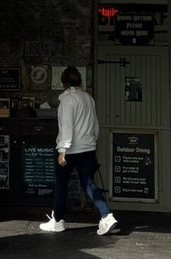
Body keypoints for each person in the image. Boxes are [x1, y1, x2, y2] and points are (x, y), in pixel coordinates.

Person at [39, 66, 117, 235]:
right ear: (79, 81)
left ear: (63, 82)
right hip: (88, 147)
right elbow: (95, 123)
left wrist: (62, 150)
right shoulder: (88, 98)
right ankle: (106, 215)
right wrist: (94, 140)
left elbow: (67, 126)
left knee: (61, 185)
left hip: (71, 150)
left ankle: (57, 220)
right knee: (88, 183)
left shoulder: (68, 100)